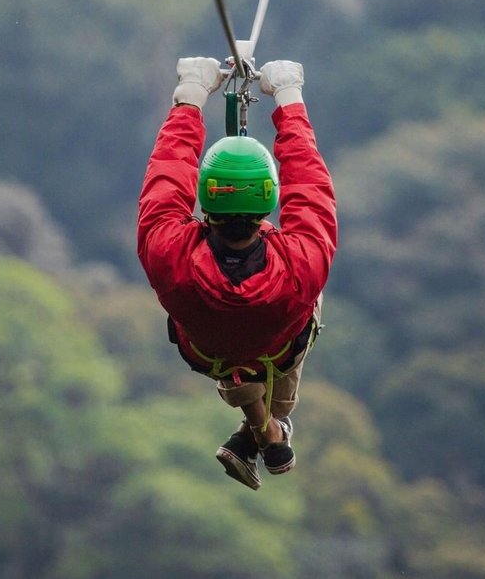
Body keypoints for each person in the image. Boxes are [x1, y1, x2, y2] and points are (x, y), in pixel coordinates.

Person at [137, 56, 337, 490]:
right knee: (309, 298)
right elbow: (310, 188)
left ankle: (258, 431)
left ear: (206, 200)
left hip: (208, 351)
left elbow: (166, 179)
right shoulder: (299, 264)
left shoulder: (169, 253)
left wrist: (190, 96)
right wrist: (288, 100)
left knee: (243, 336)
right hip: (276, 351)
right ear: (268, 198)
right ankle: (267, 427)